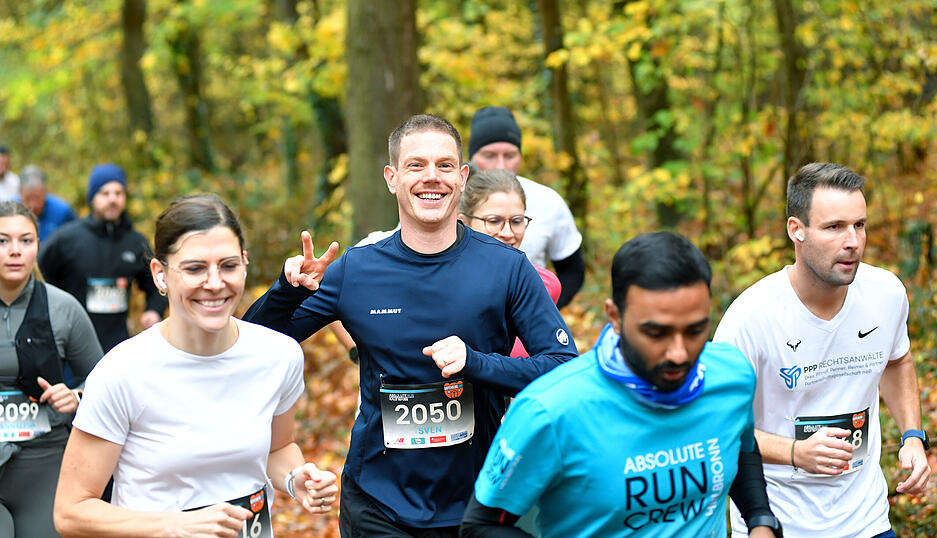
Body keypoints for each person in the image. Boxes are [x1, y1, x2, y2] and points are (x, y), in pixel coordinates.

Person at [244, 114, 578, 536]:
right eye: (416, 165)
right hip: (379, 504)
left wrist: (477, 363)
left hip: (479, 503)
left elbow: (564, 368)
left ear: (461, 177)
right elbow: (252, 343)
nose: (430, 178)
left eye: (443, 166)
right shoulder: (356, 270)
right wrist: (288, 290)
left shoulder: (507, 268)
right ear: (391, 177)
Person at [461, 232, 783, 538]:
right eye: (656, 333)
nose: (679, 353)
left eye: (695, 330)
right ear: (614, 316)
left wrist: (760, 520)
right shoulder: (551, 409)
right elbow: (481, 525)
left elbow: (742, 445)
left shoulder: (730, 374)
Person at [54, 194, 338, 537]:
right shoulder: (121, 372)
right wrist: (174, 526)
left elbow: (277, 449)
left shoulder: (279, 355)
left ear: (245, 263)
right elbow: (71, 511)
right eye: (195, 268)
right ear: (160, 274)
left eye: (228, 266)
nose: (215, 283)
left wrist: (296, 480)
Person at [713, 163, 931, 537]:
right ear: (796, 231)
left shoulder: (886, 293)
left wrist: (913, 435)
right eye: (834, 227)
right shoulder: (750, 317)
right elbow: (718, 426)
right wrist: (796, 452)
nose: (853, 241)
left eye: (859, 225)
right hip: (779, 521)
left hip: (867, 520)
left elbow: (898, 361)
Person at [0, 201, 102, 538]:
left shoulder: (63, 308)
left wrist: (76, 395)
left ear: (38, 245)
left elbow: (103, 383)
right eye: (3, 241)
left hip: (45, 462)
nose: (15, 251)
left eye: (26, 241)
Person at [38, 163, 166, 352]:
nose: (112, 199)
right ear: (92, 198)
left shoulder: (135, 242)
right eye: (105, 193)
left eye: (119, 193)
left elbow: (159, 283)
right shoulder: (66, 239)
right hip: (69, 349)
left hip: (117, 348)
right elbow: (37, 276)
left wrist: (154, 310)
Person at [468, 106, 584, 308]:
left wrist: (541, 313)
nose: (501, 165)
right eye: (489, 155)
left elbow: (572, 271)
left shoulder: (548, 201)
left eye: (510, 155)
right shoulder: (447, 200)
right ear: (472, 157)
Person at [458, 167, 561, 356]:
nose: (508, 233)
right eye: (494, 221)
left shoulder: (544, 284)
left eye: (516, 221)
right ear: (464, 222)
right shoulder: (446, 278)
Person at [17, 165, 76, 241]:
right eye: (28, 199)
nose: (33, 205)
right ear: (20, 193)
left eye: (37, 198)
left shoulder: (62, 211)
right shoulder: (8, 213)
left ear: (45, 192)